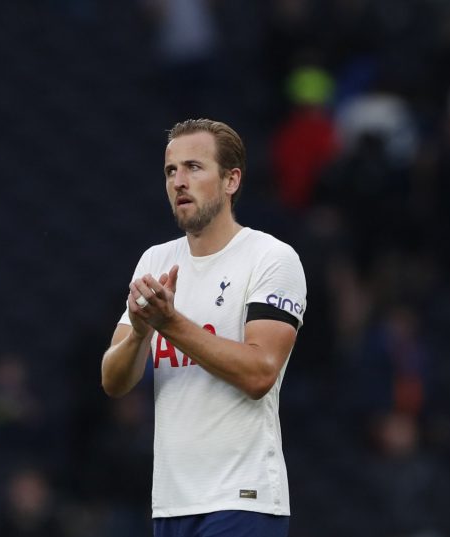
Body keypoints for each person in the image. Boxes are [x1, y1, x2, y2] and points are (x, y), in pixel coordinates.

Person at [101, 119, 307, 537]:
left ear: (232, 180)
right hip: (172, 502)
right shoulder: (155, 262)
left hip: (242, 497)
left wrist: (169, 322)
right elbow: (114, 381)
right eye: (170, 170)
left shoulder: (270, 258)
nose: (179, 181)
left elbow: (259, 372)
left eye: (194, 167)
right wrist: (141, 332)